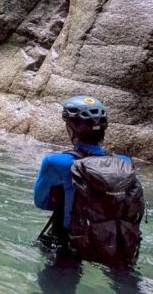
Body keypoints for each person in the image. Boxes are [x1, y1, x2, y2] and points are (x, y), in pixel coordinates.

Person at [34, 96, 147, 293]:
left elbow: (41, 202)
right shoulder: (123, 162)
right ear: (104, 129)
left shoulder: (55, 162)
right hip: (115, 243)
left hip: (70, 244)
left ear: (70, 128)